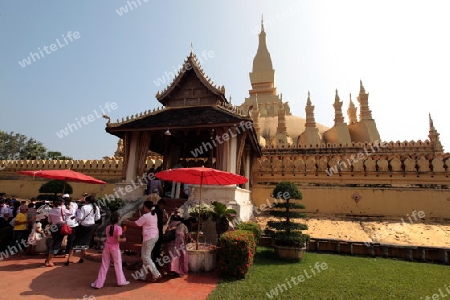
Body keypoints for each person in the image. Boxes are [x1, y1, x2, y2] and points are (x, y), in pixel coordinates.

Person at [123, 201, 161, 282]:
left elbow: (137, 224)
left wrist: (126, 222)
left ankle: (156, 274)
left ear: (146, 207)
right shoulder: (154, 214)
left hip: (149, 237)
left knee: (146, 256)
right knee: (145, 256)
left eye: (144, 207)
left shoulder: (146, 216)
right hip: (153, 236)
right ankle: (143, 275)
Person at [91, 211, 129, 289]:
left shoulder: (108, 227)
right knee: (118, 264)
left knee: (104, 265)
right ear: (118, 219)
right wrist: (124, 239)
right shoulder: (118, 228)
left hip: (107, 247)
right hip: (115, 248)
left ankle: (99, 283)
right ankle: (120, 281)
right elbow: (118, 239)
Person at [71, 195, 101, 263]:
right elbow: (97, 218)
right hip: (91, 226)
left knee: (76, 241)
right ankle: (81, 257)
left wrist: (74, 217)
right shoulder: (96, 207)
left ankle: (69, 258)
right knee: (86, 242)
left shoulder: (84, 207)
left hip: (83, 225)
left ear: (87, 201)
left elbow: (80, 218)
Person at [45, 199, 71, 267]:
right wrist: (70, 208)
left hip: (53, 227)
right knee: (57, 243)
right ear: (61, 204)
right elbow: (71, 213)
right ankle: (49, 260)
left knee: (54, 241)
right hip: (60, 226)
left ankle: (48, 258)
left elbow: (49, 220)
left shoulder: (51, 211)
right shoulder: (62, 210)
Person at [63, 196, 79, 265]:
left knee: (62, 239)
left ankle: (65, 252)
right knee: (71, 239)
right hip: (72, 224)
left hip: (66, 224)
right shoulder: (74, 205)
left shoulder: (63, 206)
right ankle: (67, 253)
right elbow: (73, 212)